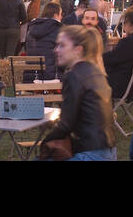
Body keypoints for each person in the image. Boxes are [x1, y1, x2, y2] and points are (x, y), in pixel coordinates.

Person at [40, 24, 117, 161]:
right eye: (57, 45)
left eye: (62, 45)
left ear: (78, 50)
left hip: (90, 153)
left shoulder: (73, 76)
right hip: (108, 150)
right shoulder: (96, 72)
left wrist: (44, 143)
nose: (56, 50)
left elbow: (66, 124)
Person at [25, 2, 63, 79]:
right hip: (51, 75)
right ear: (56, 15)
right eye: (61, 14)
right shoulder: (58, 29)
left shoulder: (31, 29)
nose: (62, 17)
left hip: (30, 76)